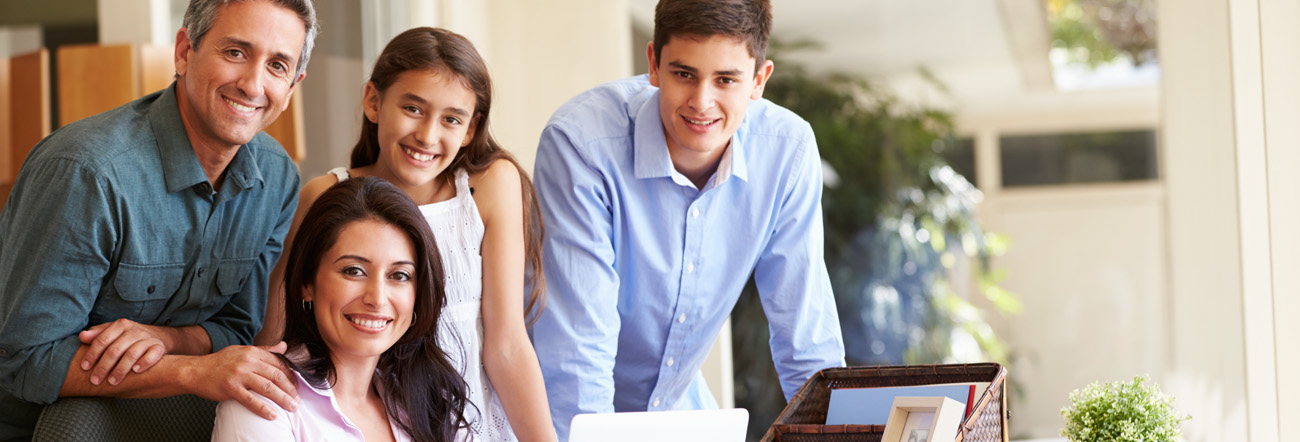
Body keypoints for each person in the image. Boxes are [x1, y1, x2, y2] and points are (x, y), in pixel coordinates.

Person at [0, 0, 318, 439]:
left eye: (277, 65)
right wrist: (193, 371)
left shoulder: (278, 179)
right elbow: (26, 361)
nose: (252, 84)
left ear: (294, 84)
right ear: (185, 51)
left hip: (169, 420)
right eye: (235, 53)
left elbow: (237, 327)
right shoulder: (86, 173)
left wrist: (167, 339)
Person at [530, 0, 846, 439]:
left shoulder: (786, 152)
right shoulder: (582, 145)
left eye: (726, 79)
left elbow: (806, 338)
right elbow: (578, 357)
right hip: (564, 420)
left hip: (680, 413)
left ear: (758, 80)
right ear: (653, 65)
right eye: (684, 74)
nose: (702, 102)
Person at [254, 27, 554, 442]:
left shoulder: (489, 186)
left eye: (451, 119)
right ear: (373, 102)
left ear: (470, 129)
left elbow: (506, 345)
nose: (427, 136)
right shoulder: (326, 194)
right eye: (413, 108)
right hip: (366, 423)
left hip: (471, 422)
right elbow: (279, 331)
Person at [213, 176, 470, 442]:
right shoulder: (263, 398)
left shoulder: (433, 405)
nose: (377, 299)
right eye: (354, 271)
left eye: (400, 275)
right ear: (306, 283)